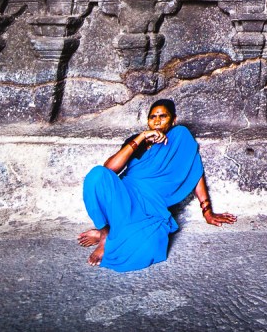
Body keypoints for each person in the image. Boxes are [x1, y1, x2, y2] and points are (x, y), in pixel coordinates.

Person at [77, 99, 235, 271]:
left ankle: (113, 233)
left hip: (152, 207)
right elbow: (109, 169)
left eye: (163, 116)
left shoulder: (180, 137)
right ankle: (105, 233)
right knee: (96, 175)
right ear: (148, 121)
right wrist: (142, 137)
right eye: (153, 117)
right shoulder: (137, 140)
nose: (157, 121)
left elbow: (195, 173)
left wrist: (207, 211)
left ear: (173, 120)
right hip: (125, 197)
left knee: (147, 249)